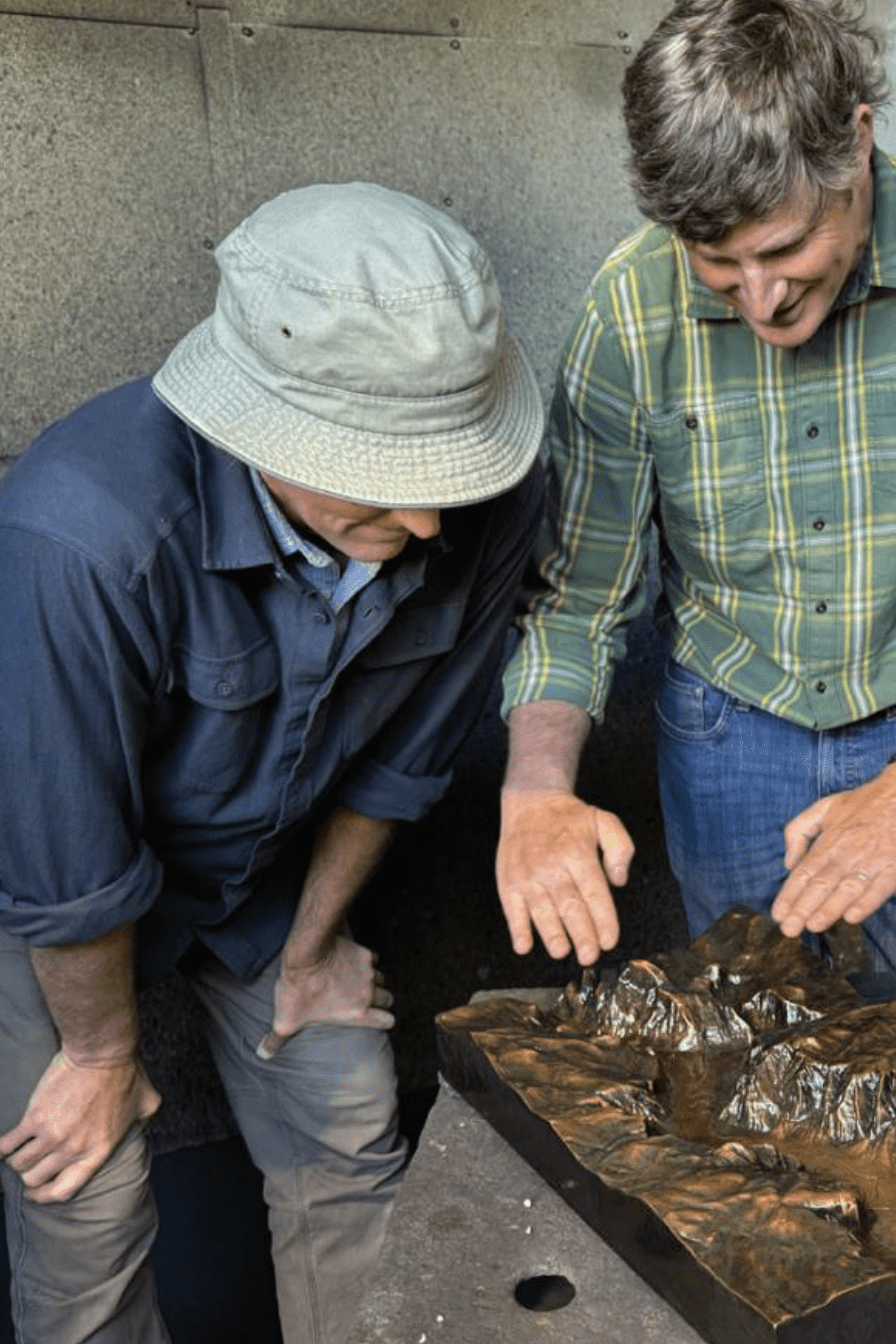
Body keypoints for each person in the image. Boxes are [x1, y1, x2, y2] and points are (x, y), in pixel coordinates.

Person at [0, 181, 546, 1344]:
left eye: (449, 473)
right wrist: (101, 1052)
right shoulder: (77, 532)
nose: (433, 526)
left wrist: (310, 950)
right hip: (58, 898)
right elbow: (64, 855)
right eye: (384, 474)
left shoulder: (487, 505)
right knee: (84, 1193)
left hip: (269, 875)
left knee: (347, 1114)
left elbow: (401, 760)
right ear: (259, 428)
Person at [498, 0, 896, 973]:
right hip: (726, 728)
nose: (761, 299)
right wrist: (532, 790)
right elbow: (576, 597)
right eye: (716, 263)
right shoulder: (625, 310)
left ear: (856, 141)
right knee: (748, 1062)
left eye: (783, 248)